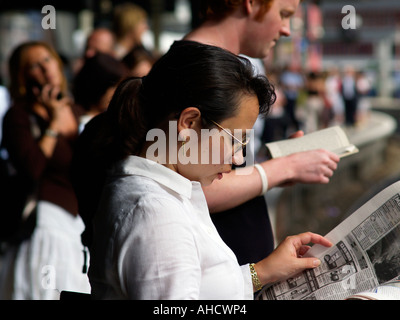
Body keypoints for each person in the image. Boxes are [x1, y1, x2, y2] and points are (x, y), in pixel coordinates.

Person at [82, 41, 332, 299]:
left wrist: (262, 272)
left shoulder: (160, 193)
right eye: (235, 140)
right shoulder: (156, 214)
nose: (237, 158)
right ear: (189, 123)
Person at [183, 0, 340, 265]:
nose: (287, 29)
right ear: (252, 3)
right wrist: (284, 167)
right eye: (284, 14)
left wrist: (272, 162)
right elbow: (193, 186)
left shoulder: (205, 65)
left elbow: (210, 170)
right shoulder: (192, 70)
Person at [0, 41, 91, 299]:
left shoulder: (74, 109)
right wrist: (52, 125)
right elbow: (32, 168)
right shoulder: (19, 116)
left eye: (47, 60)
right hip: (46, 223)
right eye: (34, 65)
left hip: (77, 223)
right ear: (22, 76)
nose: (44, 68)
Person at [73, 52, 128, 131]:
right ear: (100, 86)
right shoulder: (81, 122)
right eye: (114, 87)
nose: (118, 92)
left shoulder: (116, 118)